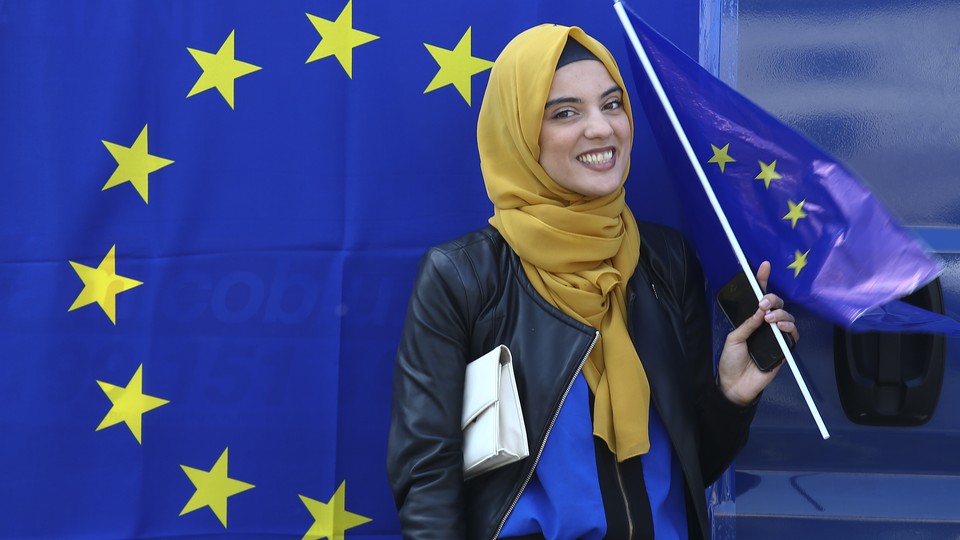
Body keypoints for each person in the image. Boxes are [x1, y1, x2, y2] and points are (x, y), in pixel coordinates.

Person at [386, 23, 798, 540]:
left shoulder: (665, 261)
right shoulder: (464, 276)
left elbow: (686, 471)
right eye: (565, 113)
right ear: (519, 132)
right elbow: (427, 480)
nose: (602, 129)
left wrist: (732, 398)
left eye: (612, 104)